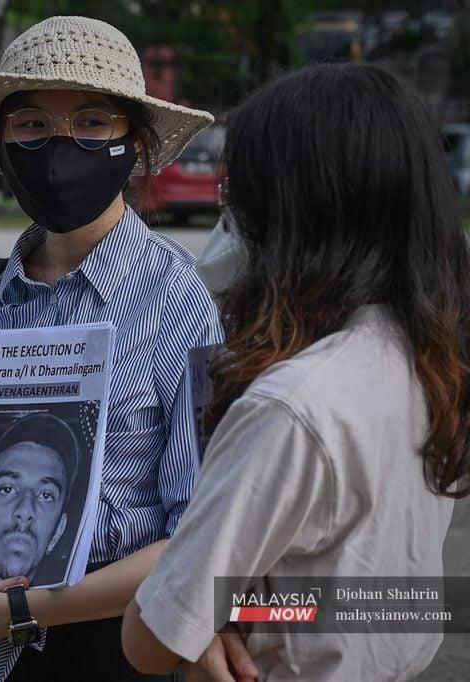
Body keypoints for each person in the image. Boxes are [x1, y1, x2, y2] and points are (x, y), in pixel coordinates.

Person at [0, 16, 223, 682]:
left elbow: (199, 529)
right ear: (1, 146)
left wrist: (16, 611)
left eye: (93, 123)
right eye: (32, 126)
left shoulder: (178, 298)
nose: (59, 145)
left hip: (103, 643)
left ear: (136, 141)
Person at [121, 63, 469, 681]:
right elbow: (380, 603)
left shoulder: (292, 408)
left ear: (289, 212)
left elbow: (149, 641)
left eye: (241, 196)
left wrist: (211, 613)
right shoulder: (427, 362)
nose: (231, 221)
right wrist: (242, 606)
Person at [0, 413, 78, 584]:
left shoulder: (77, 610)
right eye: (7, 489)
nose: (26, 510)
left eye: (46, 495)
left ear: (57, 533)